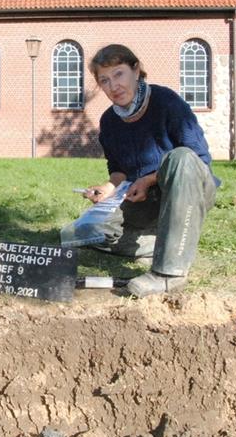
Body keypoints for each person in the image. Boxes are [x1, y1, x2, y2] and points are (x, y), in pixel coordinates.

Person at [61, 44, 219, 298]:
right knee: (76, 234)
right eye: (105, 80)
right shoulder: (109, 121)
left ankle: (169, 274)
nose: (114, 86)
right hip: (141, 200)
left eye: (119, 74)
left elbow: (197, 159)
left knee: (180, 157)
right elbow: (119, 170)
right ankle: (157, 243)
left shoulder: (166, 101)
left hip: (187, 190)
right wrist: (107, 188)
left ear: (136, 70)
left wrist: (149, 180)